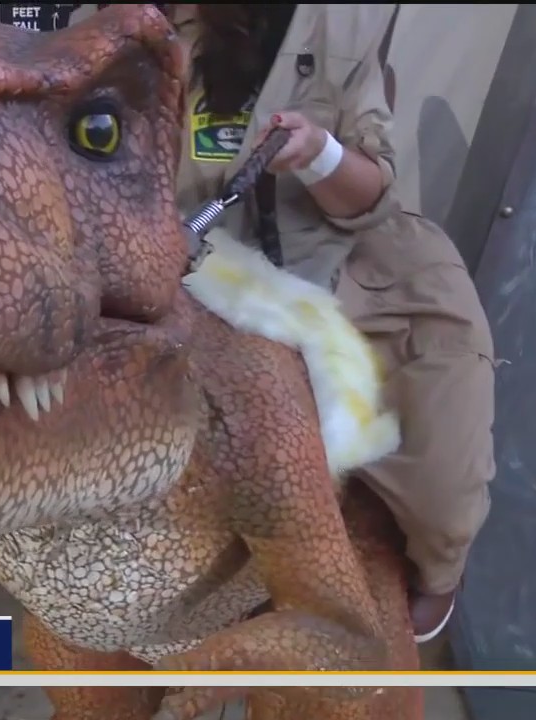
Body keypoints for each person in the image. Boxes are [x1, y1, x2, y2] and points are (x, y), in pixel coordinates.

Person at [161, 3, 495, 643]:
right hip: (193, 261)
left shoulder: (344, 23)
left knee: (445, 453)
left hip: (348, 257)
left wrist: (320, 154)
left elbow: (369, 198)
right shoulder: (135, 23)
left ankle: (436, 569)